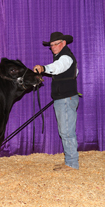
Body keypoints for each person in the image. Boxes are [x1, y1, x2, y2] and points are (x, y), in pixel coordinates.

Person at [33, 32, 79, 171]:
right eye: (51, 45)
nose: (53, 47)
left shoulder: (65, 57)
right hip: (64, 98)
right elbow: (74, 73)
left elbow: (58, 67)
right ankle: (69, 161)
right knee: (65, 131)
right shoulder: (64, 56)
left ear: (63, 43)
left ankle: (72, 164)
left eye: (56, 44)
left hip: (66, 99)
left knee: (66, 132)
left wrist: (43, 68)